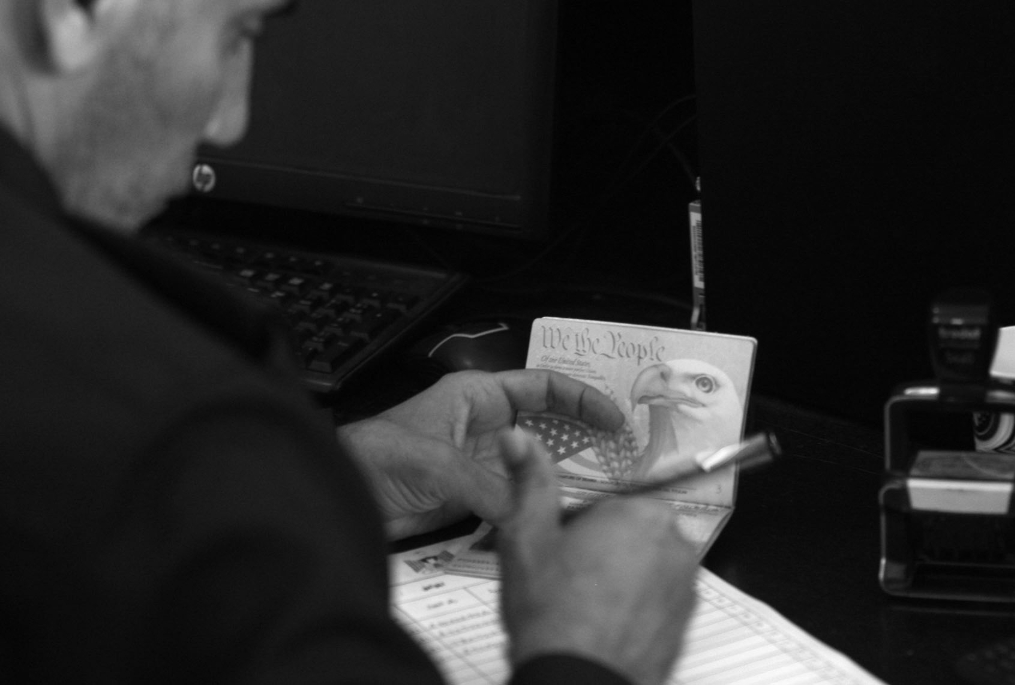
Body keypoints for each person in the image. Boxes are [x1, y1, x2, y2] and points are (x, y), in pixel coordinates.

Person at [0, 1, 698, 683]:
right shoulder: (164, 424)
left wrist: (303, 483)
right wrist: (587, 652)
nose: (229, 122)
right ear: (73, 12)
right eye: (234, 33)